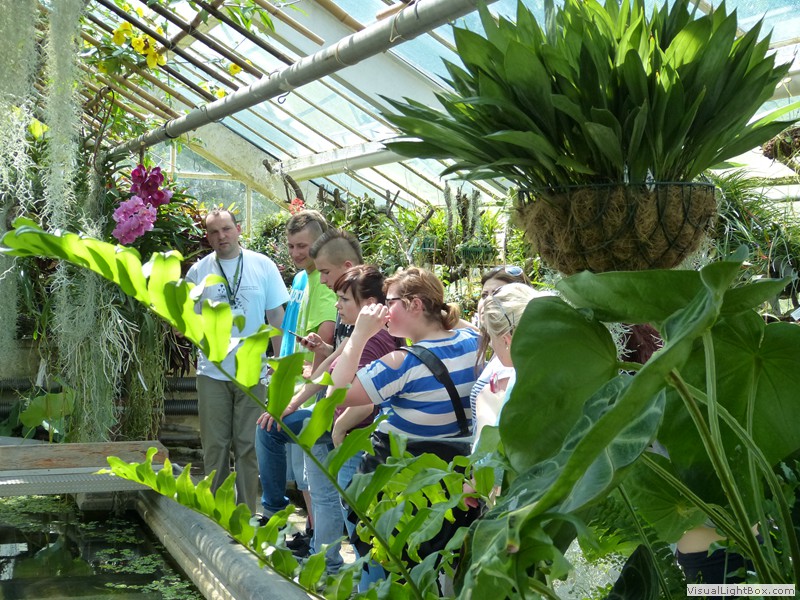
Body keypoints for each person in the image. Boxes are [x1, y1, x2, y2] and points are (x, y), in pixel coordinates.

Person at [256, 265, 399, 573]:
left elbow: (367, 401)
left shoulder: (374, 341)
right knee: (323, 495)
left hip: (351, 436)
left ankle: (358, 575)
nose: (337, 306)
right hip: (330, 425)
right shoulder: (359, 334)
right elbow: (326, 370)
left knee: (354, 513)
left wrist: (339, 430)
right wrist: (289, 404)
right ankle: (327, 566)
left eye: (344, 299)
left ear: (370, 304)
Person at [185, 208, 287, 513]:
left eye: (226, 229)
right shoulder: (198, 272)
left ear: (238, 229)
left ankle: (245, 514)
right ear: (207, 237)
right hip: (212, 371)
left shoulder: (263, 265)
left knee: (248, 445)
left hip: (252, 371)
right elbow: (187, 322)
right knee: (215, 445)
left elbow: (276, 317)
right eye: (214, 232)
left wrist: (281, 363)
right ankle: (217, 513)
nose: (222, 236)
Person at [275, 210, 338, 543]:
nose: (296, 253)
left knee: (312, 473)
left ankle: (318, 539)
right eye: (291, 246)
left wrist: (306, 387)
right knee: (302, 474)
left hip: (311, 388)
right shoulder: (301, 278)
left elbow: (325, 336)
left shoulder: (323, 283)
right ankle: (313, 532)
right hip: (294, 383)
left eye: (303, 246)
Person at [470, 265, 531, 427]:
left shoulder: (509, 364)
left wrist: (486, 406)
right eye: (484, 295)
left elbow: (494, 435)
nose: (487, 302)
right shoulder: (508, 351)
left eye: (497, 294)